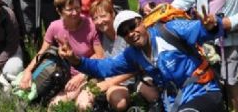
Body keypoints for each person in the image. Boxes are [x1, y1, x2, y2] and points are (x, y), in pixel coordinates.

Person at [59, 8, 225, 112]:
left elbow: (200, 30)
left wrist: (211, 26)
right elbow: (104, 68)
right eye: (125, 32)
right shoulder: (132, 54)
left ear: (143, 23)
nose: (131, 33)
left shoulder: (169, 31)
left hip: (204, 91)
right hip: (174, 101)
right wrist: (75, 60)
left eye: (133, 26)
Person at [19, 0, 104, 109]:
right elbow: (42, 52)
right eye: (70, 9)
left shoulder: (91, 25)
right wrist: (28, 71)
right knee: (54, 107)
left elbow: (100, 56)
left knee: (83, 106)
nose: (75, 13)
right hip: (65, 76)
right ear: (59, 11)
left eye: (77, 7)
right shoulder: (54, 27)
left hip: (90, 74)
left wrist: (82, 76)